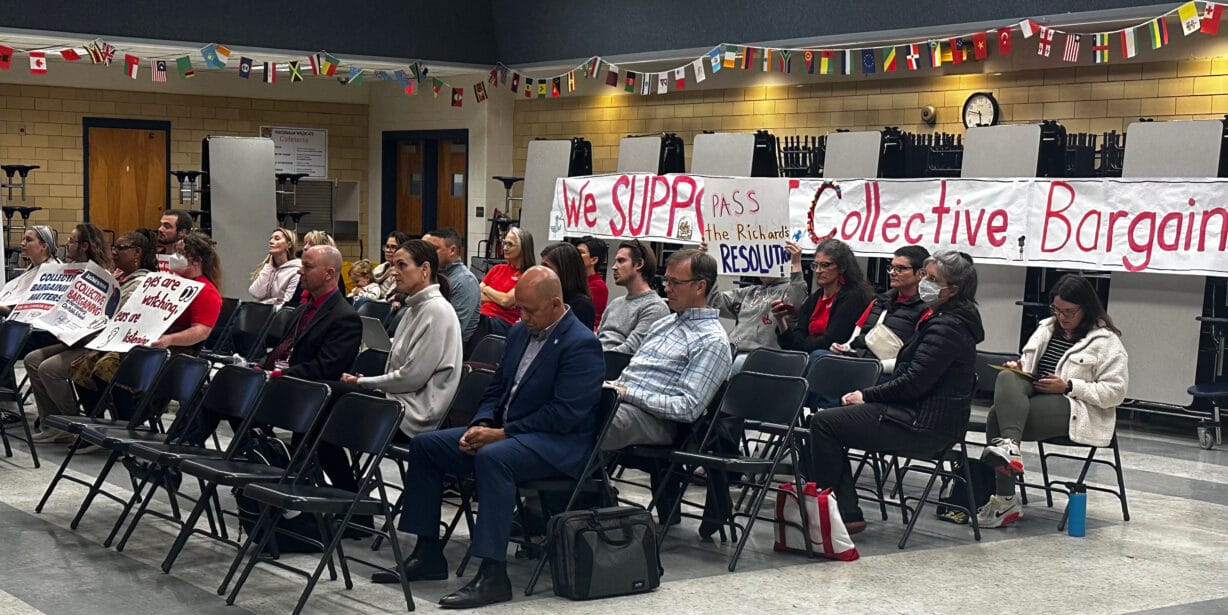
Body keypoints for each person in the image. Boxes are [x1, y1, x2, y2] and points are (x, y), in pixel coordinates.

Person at [371, 267, 602, 610]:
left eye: (530, 310)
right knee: (427, 445)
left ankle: (493, 574)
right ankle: (428, 553)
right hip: (509, 433)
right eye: (519, 309)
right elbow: (496, 389)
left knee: (495, 458)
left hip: (556, 444)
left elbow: (564, 415)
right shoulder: (523, 332)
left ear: (556, 304)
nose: (522, 317)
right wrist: (480, 423)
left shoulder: (581, 344)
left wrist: (501, 434)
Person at [808, 251, 983, 534]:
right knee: (822, 420)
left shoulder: (948, 326)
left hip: (925, 424)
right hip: (915, 413)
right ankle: (840, 509)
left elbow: (914, 381)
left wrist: (868, 396)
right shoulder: (943, 319)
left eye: (932, 279)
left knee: (825, 423)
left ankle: (842, 513)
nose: (925, 282)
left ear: (953, 290)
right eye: (925, 275)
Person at [977, 274, 1129, 528]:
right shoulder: (1046, 327)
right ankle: (1010, 450)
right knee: (1006, 377)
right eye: (1057, 310)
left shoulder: (1106, 342)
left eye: (1069, 312)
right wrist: (1019, 367)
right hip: (1036, 395)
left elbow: (1116, 392)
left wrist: (1069, 385)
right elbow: (1030, 366)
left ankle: (1005, 497)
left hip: (1075, 407)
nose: (1062, 317)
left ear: (1087, 308)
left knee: (997, 417)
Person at [71, 232, 224, 419]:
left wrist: (168, 339)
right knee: (82, 367)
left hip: (174, 348)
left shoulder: (205, 291)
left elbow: (201, 331)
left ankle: (126, 421)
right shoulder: (168, 282)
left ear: (196, 260)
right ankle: (94, 420)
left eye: (181, 253)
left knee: (106, 368)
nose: (174, 258)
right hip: (145, 339)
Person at [28, 227, 149, 443]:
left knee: (49, 369)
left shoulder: (123, 278)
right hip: (79, 338)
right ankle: (50, 420)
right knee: (32, 359)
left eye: (120, 248)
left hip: (97, 343)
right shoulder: (116, 275)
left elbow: (113, 317)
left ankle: (73, 424)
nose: (114, 252)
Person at [605, 249, 732, 451]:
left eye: (675, 283)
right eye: (666, 281)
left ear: (700, 286)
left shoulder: (712, 341)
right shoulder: (663, 324)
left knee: (589, 419)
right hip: (620, 401)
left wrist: (627, 393)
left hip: (655, 421)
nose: (666, 289)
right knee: (565, 403)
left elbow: (688, 408)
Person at [262, 244, 362, 491]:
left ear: (329, 273)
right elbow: (284, 349)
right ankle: (263, 454)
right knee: (228, 387)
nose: (300, 272)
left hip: (311, 393)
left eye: (307, 267)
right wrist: (262, 368)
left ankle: (268, 459)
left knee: (321, 441)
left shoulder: (345, 317)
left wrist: (278, 375)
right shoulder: (302, 310)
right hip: (291, 385)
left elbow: (324, 368)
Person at [340, 240, 463, 438]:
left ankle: (318, 468)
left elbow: (411, 377)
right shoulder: (415, 307)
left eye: (402, 265)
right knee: (328, 397)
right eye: (394, 265)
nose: (394, 272)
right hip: (399, 399)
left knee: (333, 402)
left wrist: (363, 382)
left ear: (424, 269)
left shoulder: (436, 311)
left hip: (413, 414)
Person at [830, 246, 930, 374]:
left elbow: (912, 360)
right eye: (892, 267)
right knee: (820, 357)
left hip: (886, 373)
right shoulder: (878, 301)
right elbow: (854, 339)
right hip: (859, 361)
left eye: (901, 269)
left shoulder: (927, 310)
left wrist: (874, 366)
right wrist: (843, 347)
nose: (893, 272)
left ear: (921, 274)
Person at [709, 241, 807, 372]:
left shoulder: (789, 290)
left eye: (768, 259)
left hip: (762, 357)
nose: (762, 265)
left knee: (736, 364)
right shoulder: (748, 292)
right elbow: (714, 301)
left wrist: (796, 264)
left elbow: (797, 302)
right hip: (731, 351)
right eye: (759, 259)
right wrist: (706, 266)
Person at [774, 238, 873, 360]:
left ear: (841, 267)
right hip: (810, 357)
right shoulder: (814, 298)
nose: (818, 271)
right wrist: (780, 320)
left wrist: (803, 344)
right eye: (815, 265)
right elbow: (793, 342)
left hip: (836, 360)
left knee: (816, 355)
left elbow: (831, 340)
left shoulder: (853, 297)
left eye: (825, 265)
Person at [597, 240, 670, 354]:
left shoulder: (655, 307)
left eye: (621, 261)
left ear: (639, 264)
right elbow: (597, 339)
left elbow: (629, 351)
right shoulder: (615, 303)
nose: (614, 267)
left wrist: (592, 359)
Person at [423, 227, 481, 343]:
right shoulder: (432, 274)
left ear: (452, 251)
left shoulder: (465, 281)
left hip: (451, 350)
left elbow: (453, 330)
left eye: (434, 249)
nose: (427, 254)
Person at [479, 226, 534, 336]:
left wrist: (487, 289)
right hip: (483, 317)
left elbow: (506, 301)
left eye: (510, 244)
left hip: (503, 323)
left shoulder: (528, 275)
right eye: (505, 243)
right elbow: (477, 295)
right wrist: (499, 298)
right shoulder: (497, 269)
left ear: (523, 247)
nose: (505, 248)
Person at [540, 242, 595, 330]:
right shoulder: (546, 296)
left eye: (546, 267)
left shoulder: (581, 306)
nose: (541, 272)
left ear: (565, 270)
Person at [286, 230, 346, 304]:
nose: (305, 247)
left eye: (311, 244)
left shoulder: (334, 277)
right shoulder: (305, 275)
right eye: (305, 243)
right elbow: (293, 302)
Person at [247, 227, 301, 307]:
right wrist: (268, 267)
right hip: (261, 312)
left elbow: (287, 302)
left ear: (289, 245)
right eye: (271, 239)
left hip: (277, 316)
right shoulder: (269, 268)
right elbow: (256, 293)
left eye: (277, 239)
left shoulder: (296, 271)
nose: (271, 242)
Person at [575, 236, 609, 330]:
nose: (575, 255)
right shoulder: (576, 280)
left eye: (581, 253)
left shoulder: (598, 286)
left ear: (594, 260)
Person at [373, 231, 411, 299]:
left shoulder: (401, 273)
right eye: (387, 246)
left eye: (393, 247)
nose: (388, 250)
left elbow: (388, 299)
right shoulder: (379, 268)